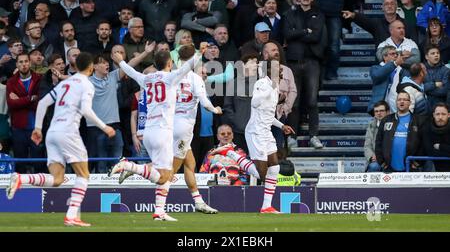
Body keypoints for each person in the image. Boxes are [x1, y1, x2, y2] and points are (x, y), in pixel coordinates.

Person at [6, 52, 116, 227]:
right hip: (68, 132)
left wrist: (38, 128)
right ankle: (72, 215)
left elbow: (42, 103)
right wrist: (105, 127)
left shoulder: (66, 83)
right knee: (84, 174)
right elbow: (86, 110)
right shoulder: (86, 84)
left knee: (57, 179)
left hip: (52, 132)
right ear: (91, 67)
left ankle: (21, 179)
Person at [117, 44, 221, 213]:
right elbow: (204, 100)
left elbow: (133, 73)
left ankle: (198, 201)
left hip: (169, 123)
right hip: (183, 126)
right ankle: (136, 174)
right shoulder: (191, 77)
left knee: (190, 163)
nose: (204, 73)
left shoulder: (166, 76)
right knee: (170, 169)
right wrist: (215, 109)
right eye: (203, 70)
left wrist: (121, 62)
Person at [212, 59, 295, 213]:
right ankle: (230, 153)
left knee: (275, 167)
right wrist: (269, 90)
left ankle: (266, 206)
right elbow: (255, 102)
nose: (281, 72)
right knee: (261, 173)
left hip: (266, 131)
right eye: (278, 70)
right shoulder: (262, 84)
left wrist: (281, 125)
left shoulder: (274, 88)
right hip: (255, 131)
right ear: (269, 71)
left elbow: (269, 114)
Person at [283, 0, 327, 148]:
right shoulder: (289, 14)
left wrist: (297, 32)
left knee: (312, 101)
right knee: (293, 101)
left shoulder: (318, 14)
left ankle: (313, 136)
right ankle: (291, 136)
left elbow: (315, 36)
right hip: (294, 62)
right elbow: (287, 34)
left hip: (312, 61)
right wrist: (305, 31)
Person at [6, 53, 43, 174]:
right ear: (17, 64)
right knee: (20, 162)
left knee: (39, 161)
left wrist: (20, 100)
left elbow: (40, 102)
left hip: (36, 127)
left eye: (26, 61)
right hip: (18, 128)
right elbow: (12, 104)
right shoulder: (11, 82)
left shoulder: (39, 79)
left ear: (30, 63)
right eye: (21, 62)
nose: (24, 64)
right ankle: (19, 191)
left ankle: (40, 188)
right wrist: (30, 99)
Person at [375, 91, 424, 172]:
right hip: (389, 168)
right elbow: (378, 142)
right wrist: (382, 163)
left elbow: (423, 143)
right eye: (399, 99)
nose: (402, 101)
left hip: (411, 168)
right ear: (396, 102)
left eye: (405, 99)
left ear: (410, 103)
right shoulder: (386, 120)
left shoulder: (419, 120)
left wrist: (417, 163)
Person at [342, 0, 417, 46]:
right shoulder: (377, 24)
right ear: (382, 8)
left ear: (397, 6)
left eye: (392, 4)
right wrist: (353, 15)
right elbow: (365, 21)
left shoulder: (407, 24)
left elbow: (413, 46)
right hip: (382, 66)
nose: (389, 6)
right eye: (386, 4)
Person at [369, 45, 407, 114]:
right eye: (392, 54)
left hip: (397, 106)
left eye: (396, 54)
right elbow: (377, 75)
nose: (395, 55)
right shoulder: (375, 68)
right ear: (385, 57)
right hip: (380, 108)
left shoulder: (403, 70)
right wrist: (394, 64)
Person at [421, 103, 450, 172]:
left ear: (449, 115)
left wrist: (440, 146)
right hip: (433, 169)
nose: (440, 117)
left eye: (443, 114)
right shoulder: (426, 128)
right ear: (434, 115)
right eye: (437, 114)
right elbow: (430, 152)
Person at [364, 100, 389, 172]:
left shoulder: (394, 124)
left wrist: (380, 157)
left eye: (381, 111)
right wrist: (371, 156)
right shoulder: (371, 125)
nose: (379, 113)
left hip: (389, 159)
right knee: (374, 166)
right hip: (375, 160)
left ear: (387, 112)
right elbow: (367, 146)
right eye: (376, 111)